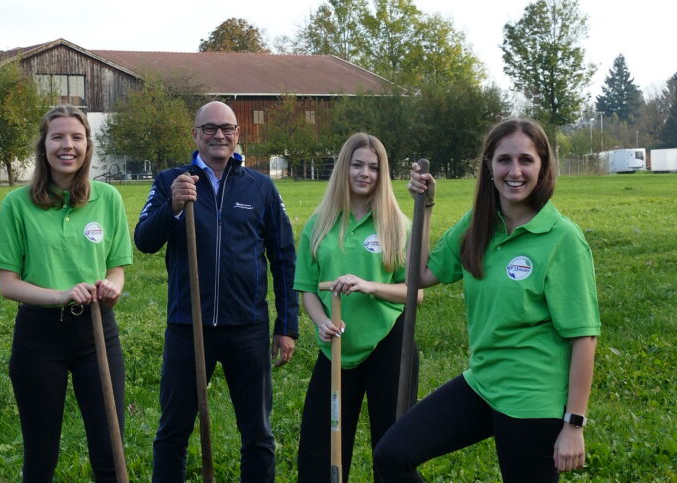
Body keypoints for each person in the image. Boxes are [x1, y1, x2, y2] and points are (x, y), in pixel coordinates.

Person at [373, 118, 600, 481]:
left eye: (526, 160)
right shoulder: (478, 224)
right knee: (392, 455)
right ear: (488, 166)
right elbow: (419, 275)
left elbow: (584, 337)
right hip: (482, 384)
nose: (515, 171)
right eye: (504, 160)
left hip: (533, 399)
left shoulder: (562, 238)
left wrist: (574, 424)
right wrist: (426, 207)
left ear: (542, 167)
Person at [134, 100, 298, 482]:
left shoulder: (261, 187)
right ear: (195, 134)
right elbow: (144, 241)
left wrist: (287, 325)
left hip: (247, 327)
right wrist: (173, 205)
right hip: (188, 327)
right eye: (209, 128)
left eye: (227, 128)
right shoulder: (171, 182)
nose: (218, 135)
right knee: (172, 430)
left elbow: (284, 258)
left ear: (237, 135)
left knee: (258, 433)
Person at [0, 105, 132, 482]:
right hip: (39, 336)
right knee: (41, 452)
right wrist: (62, 295)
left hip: (98, 332)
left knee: (110, 447)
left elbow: (116, 268)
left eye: (76, 137)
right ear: (43, 145)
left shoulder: (108, 198)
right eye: (58, 137)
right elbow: (8, 284)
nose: (67, 145)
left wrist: (111, 288)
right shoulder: (16, 205)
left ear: (88, 145)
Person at [294, 133, 419, 481]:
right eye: (358, 164)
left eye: (374, 167)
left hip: (388, 343)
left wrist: (369, 286)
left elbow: (415, 293)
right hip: (334, 346)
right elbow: (306, 289)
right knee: (320, 445)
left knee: (392, 445)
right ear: (343, 168)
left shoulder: (397, 225)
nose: (365, 173)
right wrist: (321, 323)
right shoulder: (318, 225)